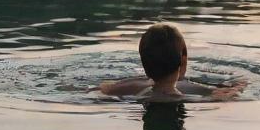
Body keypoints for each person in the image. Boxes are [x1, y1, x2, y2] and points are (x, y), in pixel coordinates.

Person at [98, 23, 245, 102]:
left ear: (143, 62)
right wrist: (237, 88)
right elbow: (232, 92)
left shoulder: (128, 88)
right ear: (183, 60)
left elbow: (99, 89)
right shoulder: (197, 98)